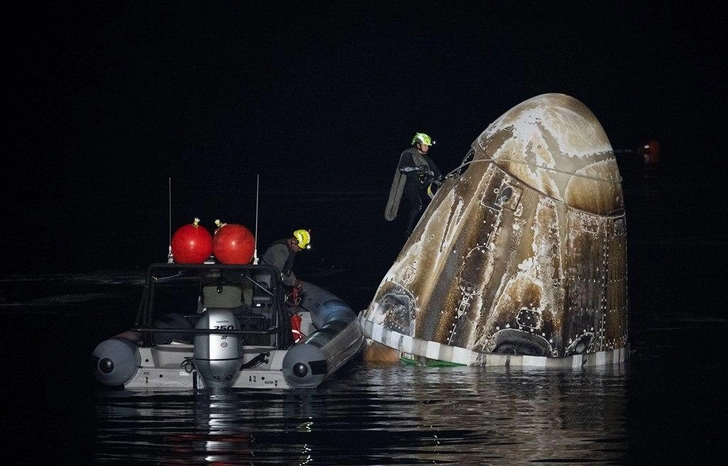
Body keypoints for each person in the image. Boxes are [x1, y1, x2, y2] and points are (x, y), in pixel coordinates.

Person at [386, 132, 442, 235]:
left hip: (424, 186)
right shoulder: (409, 153)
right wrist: (418, 168)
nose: (427, 148)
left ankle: (430, 226)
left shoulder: (427, 159)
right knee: (417, 205)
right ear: (418, 144)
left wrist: (442, 178)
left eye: (428, 146)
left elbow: (436, 171)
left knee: (433, 202)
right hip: (411, 186)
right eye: (425, 145)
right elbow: (402, 168)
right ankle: (408, 231)